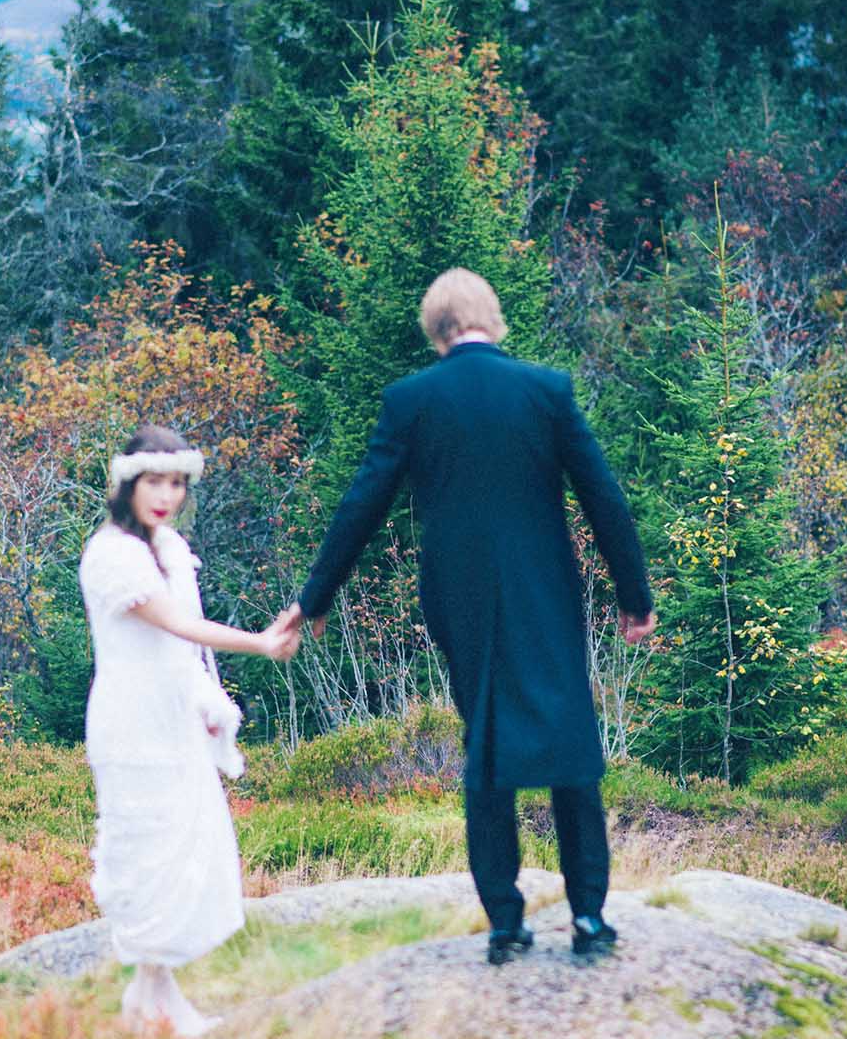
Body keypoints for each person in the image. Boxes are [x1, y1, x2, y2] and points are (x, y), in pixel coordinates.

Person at [271, 270, 655, 965]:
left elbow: (364, 501)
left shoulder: (412, 401)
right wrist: (635, 595)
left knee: (485, 743)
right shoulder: (546, 390)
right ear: (492, 319)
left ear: (435, 329)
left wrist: (316, 597)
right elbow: (604, 494)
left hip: (460, 596)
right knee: (569, 740)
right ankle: (591, 918)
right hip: (545, 590)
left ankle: (505, 922)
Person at [81, 425, 300, 1035]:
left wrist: (209, 698)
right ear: (127, 484)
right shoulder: (111, 555)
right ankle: (151, 1000)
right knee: (146, 850)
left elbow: (188, 649)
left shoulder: (171, 549)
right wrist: (258, 643)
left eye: (177, 483)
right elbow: (176, 624)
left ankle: (154, 997)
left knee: (184, 849)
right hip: (131, 721)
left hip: (172, 716)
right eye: (155, 481)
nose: (167, 495)